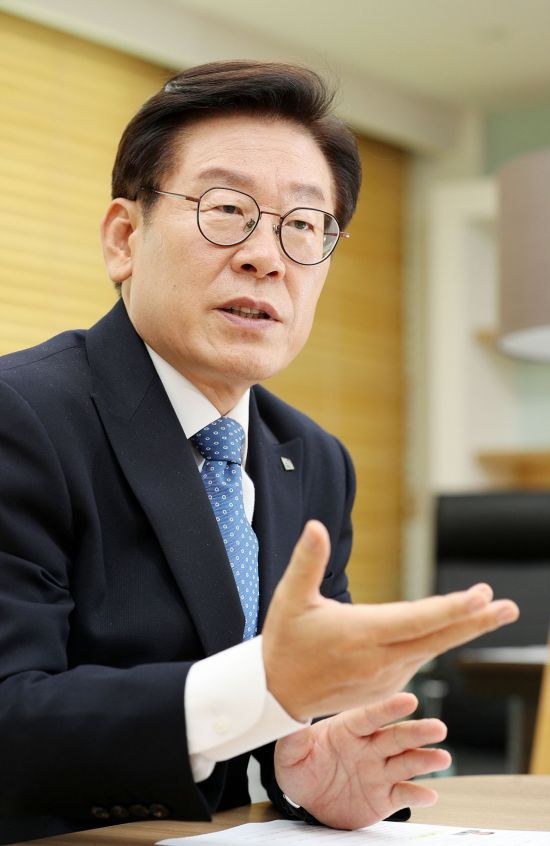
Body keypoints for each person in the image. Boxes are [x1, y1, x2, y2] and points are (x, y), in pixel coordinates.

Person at [0, 60, 519, 843]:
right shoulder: (21, 416)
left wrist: (314, 769)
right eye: (226, 209)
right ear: (124, 238)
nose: (266, 256)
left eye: (304, 225)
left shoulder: (313, 458)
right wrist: (265, 683)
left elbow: (296, 715)